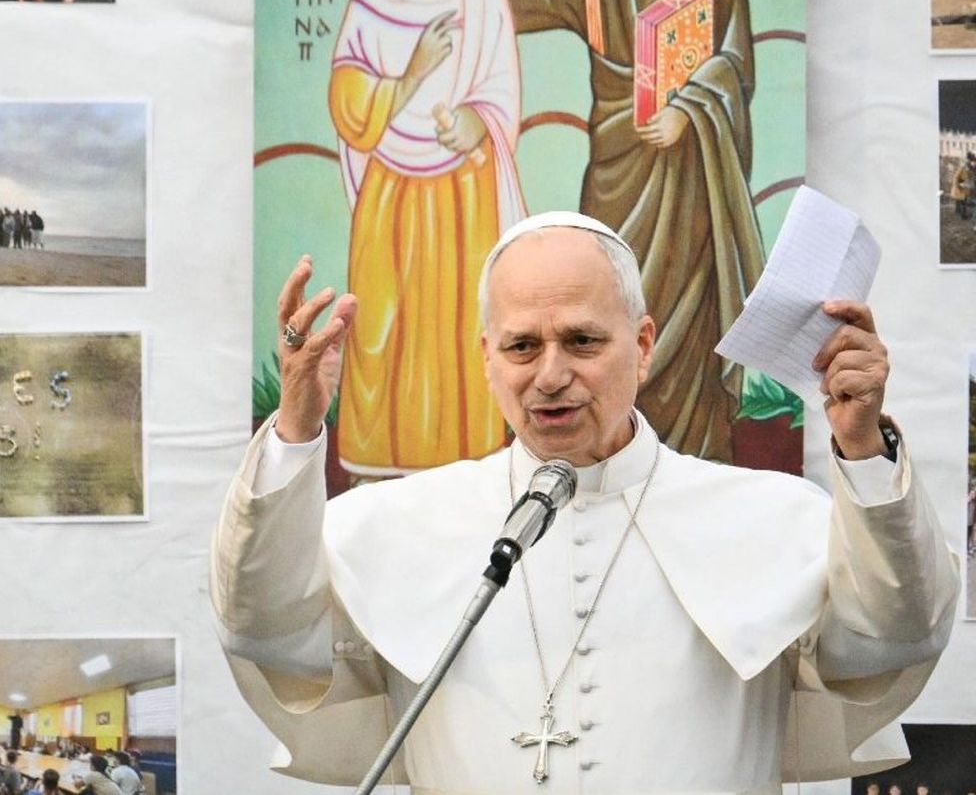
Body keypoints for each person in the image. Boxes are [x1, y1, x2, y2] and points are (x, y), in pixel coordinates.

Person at [211, 213, 958, 790]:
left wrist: (862, 449)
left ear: (642, 344)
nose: (551, 374)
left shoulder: (770, 518)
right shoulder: (397, 523)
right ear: (485, 357)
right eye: (522, 346)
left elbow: (891, 638)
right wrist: (297, 429)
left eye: (581, 340)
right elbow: (268, 631)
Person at [496, 0, 767, 464]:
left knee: (687, 344)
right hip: (618, 181)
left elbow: (736, 62)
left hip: (692, 188)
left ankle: (696, 471)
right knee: (600, 317)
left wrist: (689, 106)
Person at [326, 0, 526, 477]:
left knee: (459, 340)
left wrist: (478, 119)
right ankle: (379, 475)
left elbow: (502, 85)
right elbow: (346, 96)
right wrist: (410, 76)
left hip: (465, 194)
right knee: (383, 331)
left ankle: (465, 481)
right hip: (390, 194)